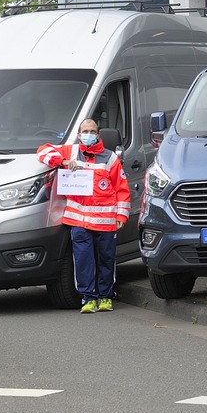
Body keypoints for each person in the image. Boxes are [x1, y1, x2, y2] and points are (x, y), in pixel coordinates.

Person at [37, 119, 131, 313]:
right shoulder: (70, 152)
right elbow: (43, 150)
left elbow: (121, 188)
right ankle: (88, 298)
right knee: (83, 260)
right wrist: (62, 162)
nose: (88, 134)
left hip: (105, 221)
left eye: (92, 131)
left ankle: (105, 297)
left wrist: (122, 216)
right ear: (79, 134)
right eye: (85, 131)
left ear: (98, 135)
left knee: (106, 260)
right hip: (79, 220)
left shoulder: (110, 158)